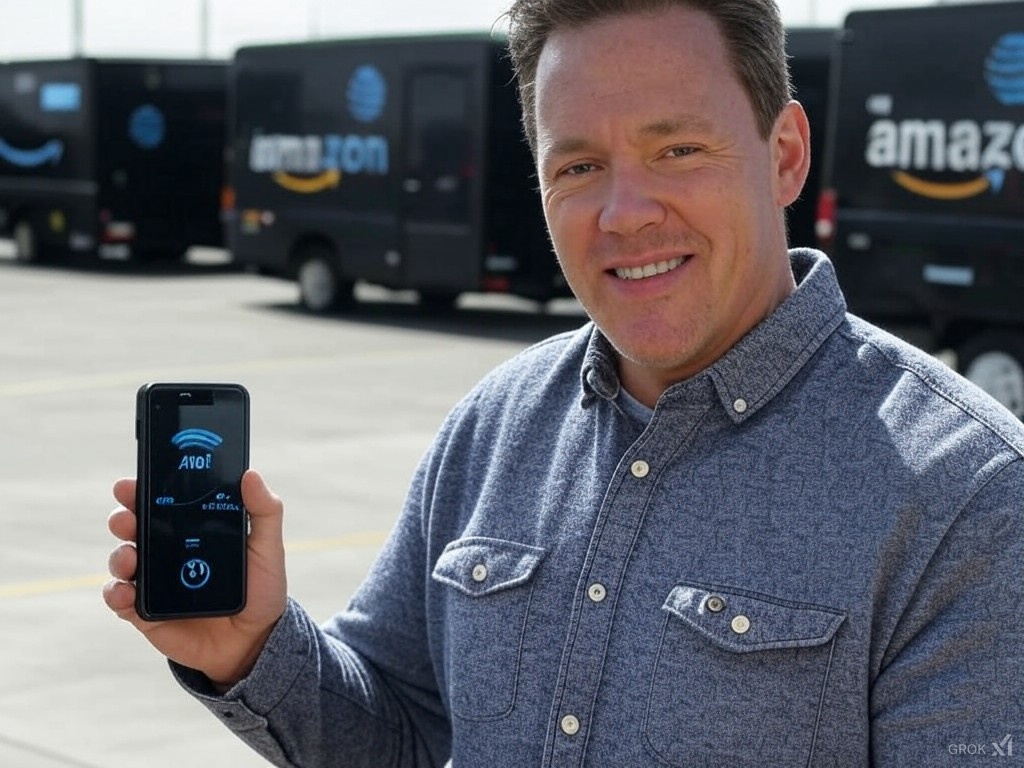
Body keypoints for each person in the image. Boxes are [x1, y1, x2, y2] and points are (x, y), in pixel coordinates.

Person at [104, 0, 1024, 765]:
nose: (624, 214)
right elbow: (402, 739)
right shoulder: (494, 427)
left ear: (784, 153)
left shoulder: (968, 495)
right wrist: (254, 651)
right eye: (579, 166)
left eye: (678, 151)